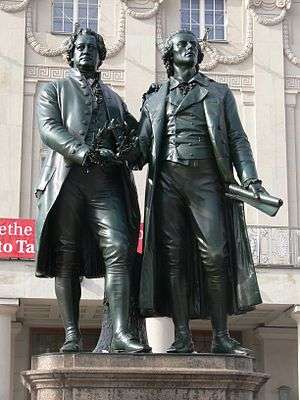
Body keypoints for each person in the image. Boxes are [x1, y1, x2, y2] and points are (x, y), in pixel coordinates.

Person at [120, 30, 266, 355]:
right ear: (169, 55)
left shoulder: (218, 93)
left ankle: (221, 336)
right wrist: (120, 150)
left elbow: (238, 139)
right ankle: (182, 336)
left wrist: (251, 179)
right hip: (168, 181)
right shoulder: (155, 98)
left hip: (206, 180)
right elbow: (141, 150)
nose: (188, 47)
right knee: (174, 260)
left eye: (192, 44)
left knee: (215, 254)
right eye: (180, 43)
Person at [35, 27, 149, 353]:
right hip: (67, 181)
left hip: (107, 184)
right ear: (71, 54)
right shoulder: (53, 89)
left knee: (119, 249)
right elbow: (50, 130)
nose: (86, 51)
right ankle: (71, 334)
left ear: (101, 57)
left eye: (92, 48)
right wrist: (83, 151)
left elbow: (133, 139)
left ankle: (123, 333)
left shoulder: (114, 98)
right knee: (67, 258)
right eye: (80, 47)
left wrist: (142, 132)